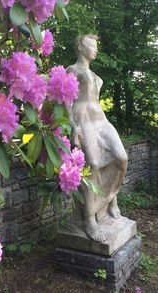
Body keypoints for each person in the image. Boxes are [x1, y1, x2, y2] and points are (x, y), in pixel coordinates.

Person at [67, 34, 128, 242]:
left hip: (101, 121)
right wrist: (73, 126)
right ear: (80, 47)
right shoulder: (72, 71)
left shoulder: (95, 76)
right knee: (92, 164)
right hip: (83, 121)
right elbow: (66, 102)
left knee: (121, 158)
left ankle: (111, 199)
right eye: (91, 45)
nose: (95, 49)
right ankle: (89, 218)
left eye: (96, 46)